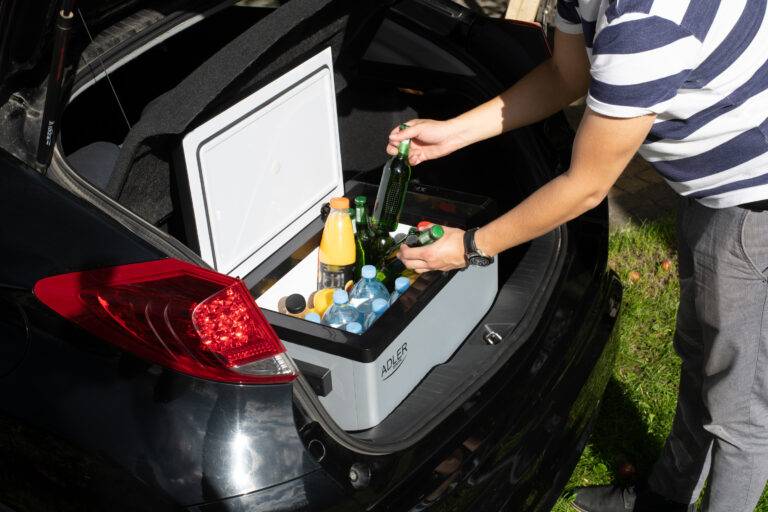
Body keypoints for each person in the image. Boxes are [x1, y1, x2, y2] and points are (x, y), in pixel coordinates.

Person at [387, 1, 768, 511]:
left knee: (740, 416)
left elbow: (586, 186)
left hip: (754, 202)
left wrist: (471, 247)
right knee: (700, 354)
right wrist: (451, 133)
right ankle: (663, 501)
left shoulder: (645, 24)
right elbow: (566, 77)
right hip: (712, 189)